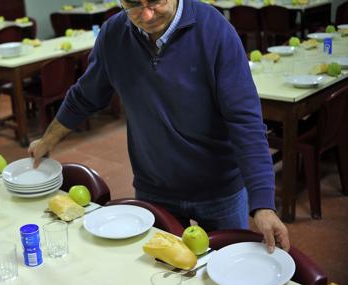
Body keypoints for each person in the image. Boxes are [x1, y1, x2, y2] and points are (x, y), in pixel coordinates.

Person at [28, 0, 290, 252]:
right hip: (155, 189)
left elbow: (245, 121)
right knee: (164, 275)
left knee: (228, 275)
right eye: (133, 4)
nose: (147, 15)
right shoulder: (114, 35)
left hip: (219, 191)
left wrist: (263, 204)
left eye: (155, 1)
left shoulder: (214, 30)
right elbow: (84, 97)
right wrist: (47, 140)